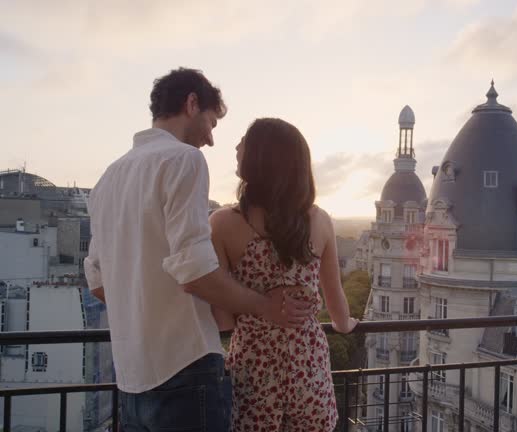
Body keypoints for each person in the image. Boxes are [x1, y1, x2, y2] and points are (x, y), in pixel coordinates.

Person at [84, 68, 312, 431]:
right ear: (192, 103)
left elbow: (98, 283)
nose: (210, 139)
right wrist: (266, 306)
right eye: (211, 123)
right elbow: (195, 271)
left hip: (131, 379)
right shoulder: (183, 160)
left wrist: (148, 305)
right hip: (185, 369)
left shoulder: (107, 180)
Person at [210, 118, 358, 431]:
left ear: (262, 157)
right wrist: (346, 324)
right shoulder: (321, 222)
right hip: (308, 368)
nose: (236, 148)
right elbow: (337, 308)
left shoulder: (222, 224)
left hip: (254, 373)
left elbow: (223, 320)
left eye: (244, 142)